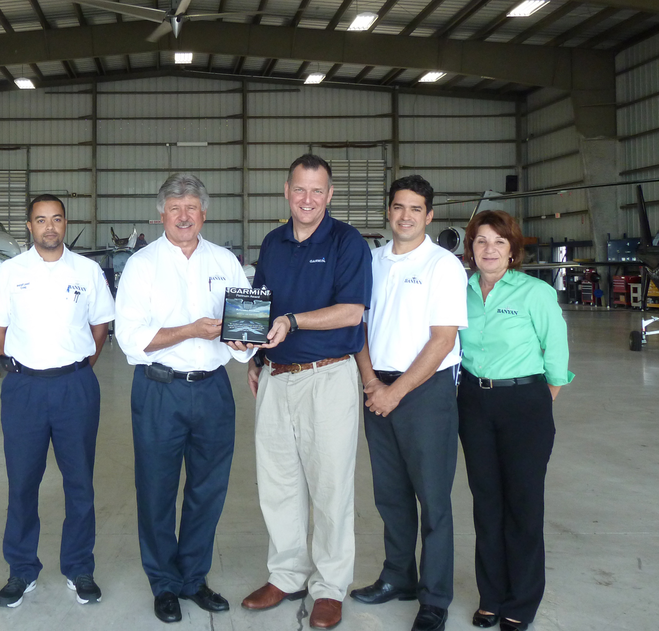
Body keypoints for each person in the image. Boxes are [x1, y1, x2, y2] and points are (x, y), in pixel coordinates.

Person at [114, 173, 255, 624]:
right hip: (159, 389)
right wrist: (192, 329)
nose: (183, 216)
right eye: (174, 208)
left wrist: (242, 343)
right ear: (161, 215)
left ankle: (193, 577)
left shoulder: (226, 261)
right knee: (156, 489)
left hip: (212, 389)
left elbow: (246, 330)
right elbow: (130, 339)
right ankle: (164, 583)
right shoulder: (142, 264)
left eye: (191, 207)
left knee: (207, 489)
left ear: (204, 214)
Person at [240, 154, 372, 630]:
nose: (308, 200)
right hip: (277, 377)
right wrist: (253, 353)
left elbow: (352, 312)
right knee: (278, 483)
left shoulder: (346, 242)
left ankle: (330, 586)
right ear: (286, 190)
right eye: (300, 190)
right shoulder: (273, 243)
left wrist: (293, 321)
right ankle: (287, 574)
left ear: (330, 195)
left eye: (317, 191)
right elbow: (260, 307)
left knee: (331, 485)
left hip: (327, 376)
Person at [0, 194, 114, 608]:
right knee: (22, 483)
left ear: (65, 223)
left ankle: (79, 568)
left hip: (75, 386)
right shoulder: (10, 271)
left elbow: (100, 328)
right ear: (30, 227)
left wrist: (71, 367)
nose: (50, 227)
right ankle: (21, 569)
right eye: (41, 220)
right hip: (24, 389)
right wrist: (23, 365)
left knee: (79, 483)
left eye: (56, 219)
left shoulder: (88, 271)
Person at [351, 176, 468, 631]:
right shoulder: (371, 261)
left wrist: (394, 393)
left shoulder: (443, 266)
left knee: (433, 498)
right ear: (388, 211)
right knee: (390, 494)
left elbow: (442, 340)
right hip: (375, 387)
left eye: (415, 209)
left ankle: (435, 597)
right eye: (398, 207)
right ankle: (398, 576)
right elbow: (357, 327)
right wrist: (370, 382)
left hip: (425, 393)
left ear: (429, 215)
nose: (405, 216)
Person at [458, 210, 573, 631]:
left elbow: (555, 351)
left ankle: (521, 602)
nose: (489, 249)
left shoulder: (534, 292)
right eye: (481, 241)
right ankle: (491, 596)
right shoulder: (462, 291)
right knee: (486, 503)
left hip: (524, 401)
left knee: (523, 505)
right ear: (470, 248)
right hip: (473, 400)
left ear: (513, 251)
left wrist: (540, 401)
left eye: (499, 242)